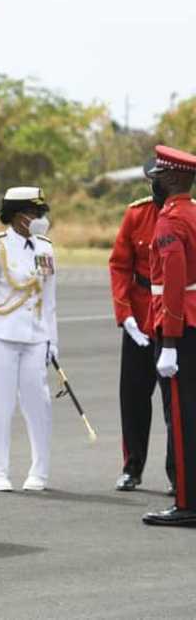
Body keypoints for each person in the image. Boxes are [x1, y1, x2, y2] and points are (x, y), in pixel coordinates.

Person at [0, 186, 57, 492]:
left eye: (40, 213)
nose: (38, 219)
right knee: (0, 404)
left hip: (35, 337)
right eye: (33, 214)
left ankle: (40, 472)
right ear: (18, 216)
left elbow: (49, 300)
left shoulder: (45, 248)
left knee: (39, 404)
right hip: (1, 337)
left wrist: (52, 341)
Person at [109, 159, 174, 492]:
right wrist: (125, 315)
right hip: (139, 316)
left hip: (173, 319)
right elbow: (119, 265)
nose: (158, 186)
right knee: (133, 398)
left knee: (175, 401)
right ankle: (132, 466)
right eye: (155, 180)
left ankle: (179, 474)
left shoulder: (187, 215)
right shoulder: (136, 214)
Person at [143, 145, 196, 526]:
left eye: (159, 177)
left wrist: (171, 342)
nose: (154, 183)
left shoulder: (170, 220)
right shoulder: (193, 214)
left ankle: (186, 502)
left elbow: (174, 279)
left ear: (175, 178)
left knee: (182, 417)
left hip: (180, 326)